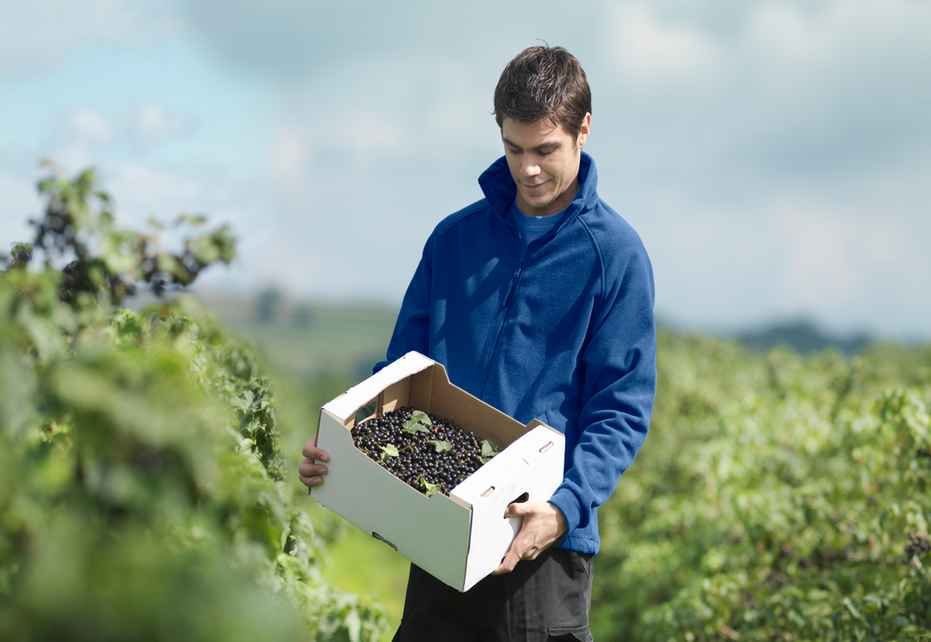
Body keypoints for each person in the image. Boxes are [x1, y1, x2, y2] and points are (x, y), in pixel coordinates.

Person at [299, 45, 656, 642]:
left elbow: (621, 408)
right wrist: (344, 445)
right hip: (440, 528)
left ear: (583, 130)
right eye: (514, 149)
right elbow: (397, 375)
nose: (528, 169)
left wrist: (565, 508)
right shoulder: (454, 240)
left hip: (539, 542)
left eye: (545, 150)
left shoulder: (615, 256)